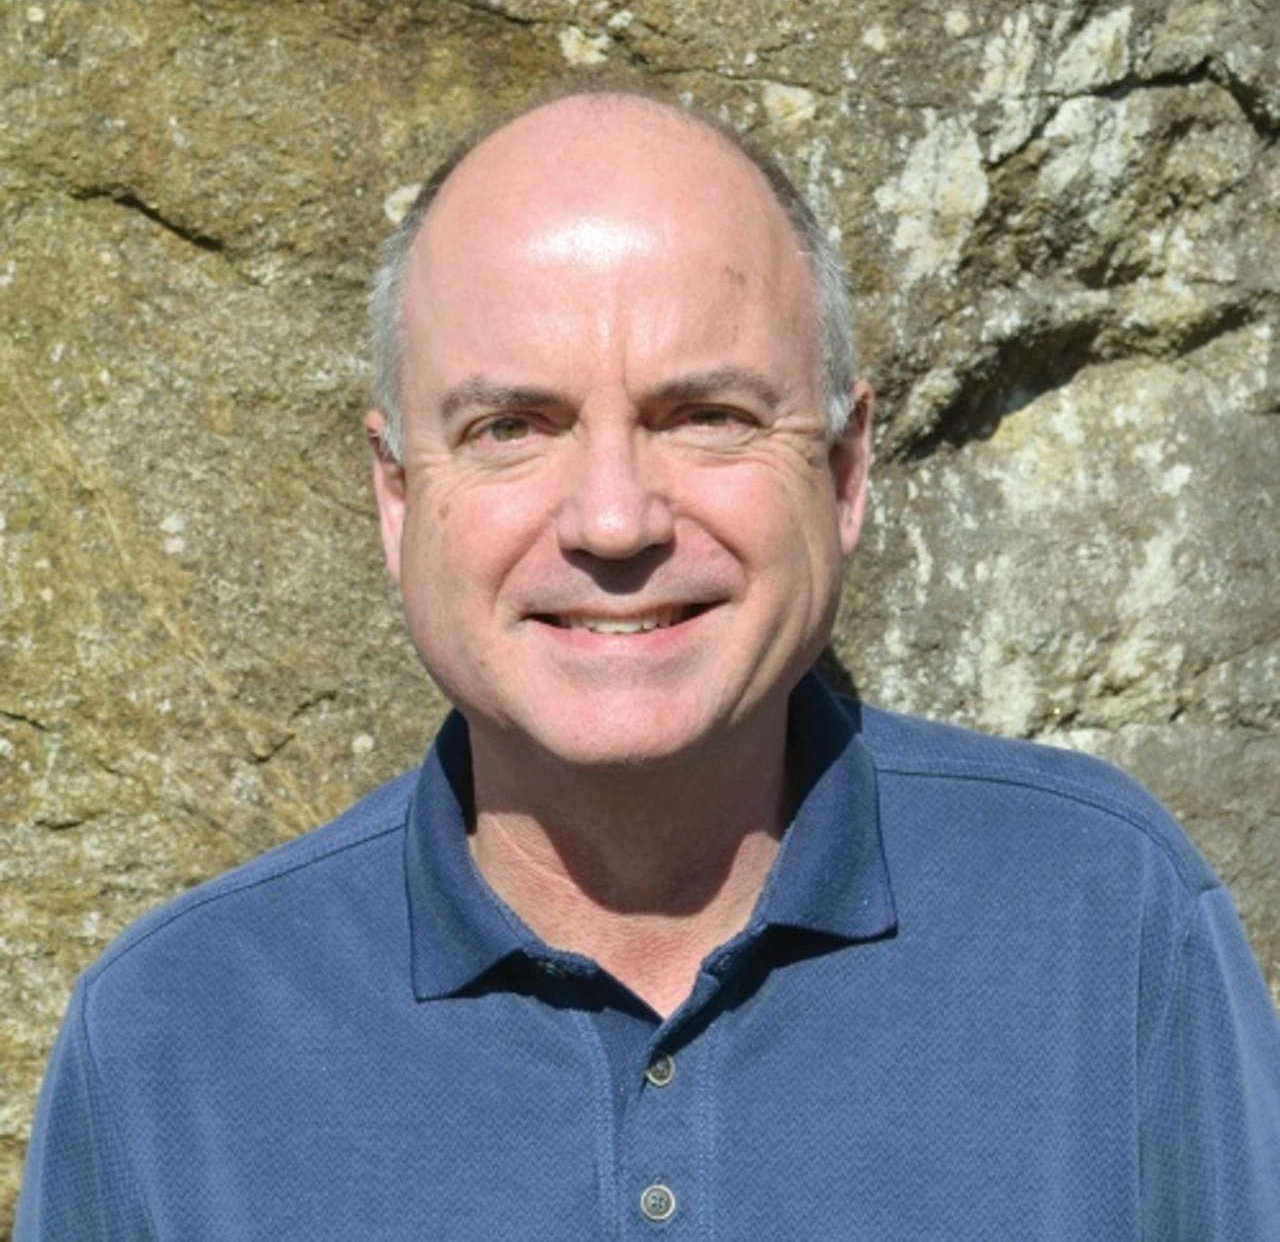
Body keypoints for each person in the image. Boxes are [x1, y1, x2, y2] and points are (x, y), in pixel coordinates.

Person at [15, 87, 1280, 1239]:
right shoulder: (173, 1043)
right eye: (511, 427)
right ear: (396, 496)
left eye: (705, 417)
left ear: (844, 471)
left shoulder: (1104, 925)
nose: (613, 521)